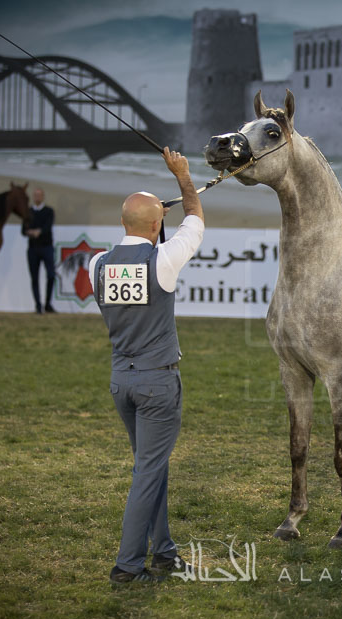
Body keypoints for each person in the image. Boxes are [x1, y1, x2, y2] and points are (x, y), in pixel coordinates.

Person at [88, 147, 204, 585]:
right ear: (156, 226)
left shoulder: (98, 264)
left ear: (124, 223)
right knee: (148, 473)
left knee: (151, 468)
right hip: (158, 382)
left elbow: (150, 250)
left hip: (122, 380)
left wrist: (154, 223)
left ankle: (165, 554)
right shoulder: (163, 260)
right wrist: (183, 176)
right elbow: (195, 219)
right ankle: (127, 566)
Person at [21, 187, 56, 313]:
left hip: (47, 247)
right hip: (33, 249)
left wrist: (38, 232)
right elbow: (23, 230)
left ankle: (48, 304)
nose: (37, 197)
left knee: (51, 275)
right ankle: (38, 305)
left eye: (39, 195)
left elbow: (47, 227)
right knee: (34, 278)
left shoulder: (49, 211)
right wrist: (32, 232)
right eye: (35, 195)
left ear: (43, 196)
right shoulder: (28, 212)